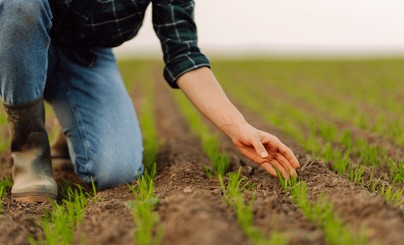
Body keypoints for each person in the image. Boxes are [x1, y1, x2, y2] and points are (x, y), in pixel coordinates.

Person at [0, 0, 300, 202]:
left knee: (115, 172)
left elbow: (182, 52)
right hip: (15, 41)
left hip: (86, 56)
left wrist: (239, 127)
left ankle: (71, 131)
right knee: (21, 6)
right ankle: (30, 154)